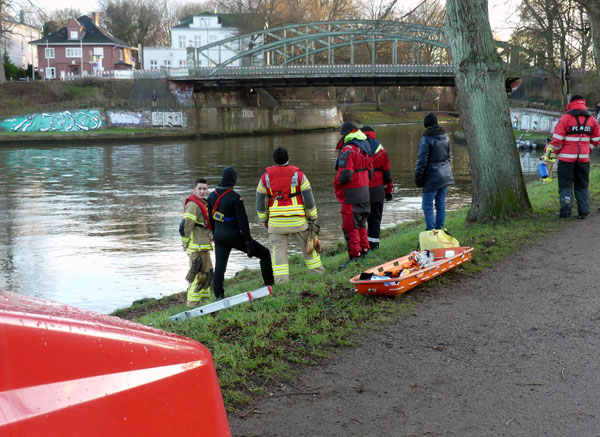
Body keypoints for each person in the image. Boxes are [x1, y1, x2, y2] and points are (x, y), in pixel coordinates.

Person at [256, 147, 325, 283]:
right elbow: (308, 199)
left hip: (276, 223)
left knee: (278, 252)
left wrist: (263, 219)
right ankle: (318, 274)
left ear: (274, 160)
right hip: (298, 221)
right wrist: (313, 217)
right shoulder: (299, 175)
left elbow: (259, 201)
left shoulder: (265, 178)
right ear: (288, 158)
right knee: (308, 247)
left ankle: (282, 282)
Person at [207, 166, 274, 299]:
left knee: (220, 267)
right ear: (233, 180)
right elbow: (243, 221)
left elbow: (211, 219)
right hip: (234, 236)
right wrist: (248, 241)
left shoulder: (211, 196)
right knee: (264, 254)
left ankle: (218, 296)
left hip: (219, 236)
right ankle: (269, 284)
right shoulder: (235, 197)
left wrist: (215, 235)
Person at [551, 94, 600, 219]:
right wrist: (588, 149)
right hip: (583, 159)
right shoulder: (591, 119)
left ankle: (566, 211)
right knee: (582, 185)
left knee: (565, 185)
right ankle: (583, 211)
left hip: (566, 159)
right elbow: (596, 139)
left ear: (571, 103)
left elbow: (557, 140)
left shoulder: (566, 118)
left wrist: (556, 153)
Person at [334, 121, 372, 267]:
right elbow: (371, 171)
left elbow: (345, 175)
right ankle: (365, 250)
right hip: (364, 192)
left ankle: (354, 256)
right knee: (362, 224)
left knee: (350, 227)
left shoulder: (347, 149)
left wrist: (336, 182)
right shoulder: (364, 147)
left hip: (351, 194)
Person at [414, 112, 455, 231]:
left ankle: (431, 231)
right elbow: (448, 158)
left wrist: (418, 179)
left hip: (432, 177)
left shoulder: (425, 140)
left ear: (426, 125)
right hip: (444, 175)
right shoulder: (446, 137)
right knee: (440, 204)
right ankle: (439, 229)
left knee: (427, 205)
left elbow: (422, 162)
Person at [180, 177, 213, 307]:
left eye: (204, 189)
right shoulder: (193, 205)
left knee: (208, 274)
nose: (202, 191)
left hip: (204, 245)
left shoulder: (203, 203)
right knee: (198, 275)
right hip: (196, 247)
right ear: (194, 189)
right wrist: (185, 242)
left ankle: (204, 302)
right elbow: (186, 225)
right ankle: (192, 304)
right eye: (200, 188)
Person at [361, 126, 394, 250]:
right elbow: (387, 174)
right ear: (373, 135)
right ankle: (374, 245)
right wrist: (388, 191)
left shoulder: (358, 149)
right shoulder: (381, 150)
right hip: (377, 190)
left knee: (361, 220)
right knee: (375, 219)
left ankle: (363, 247)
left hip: (361, 189)